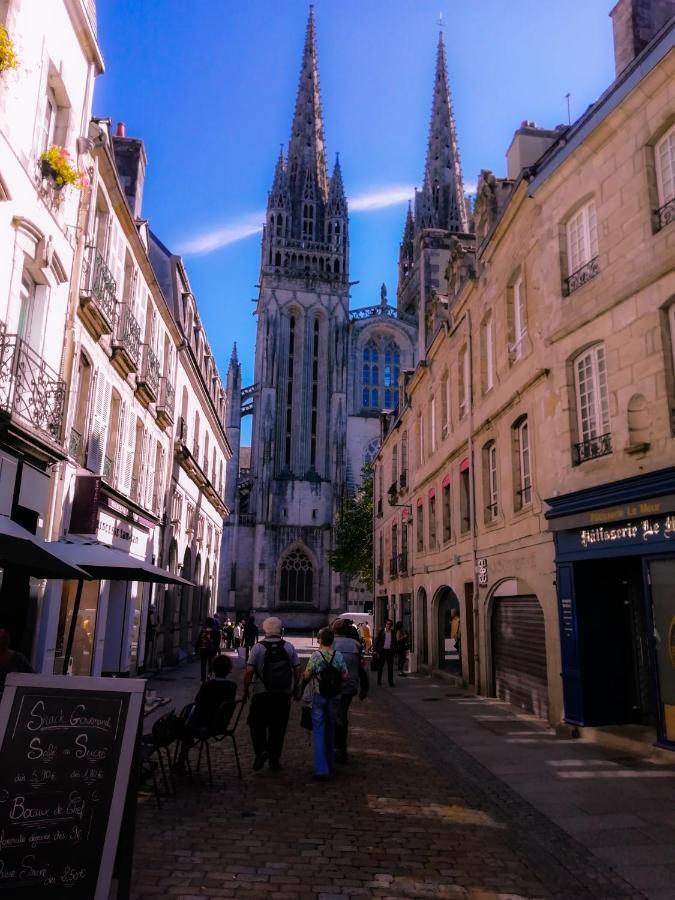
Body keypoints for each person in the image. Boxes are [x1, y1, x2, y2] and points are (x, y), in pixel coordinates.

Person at [244, 617, 300, 771]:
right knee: (278, 727)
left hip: (261, 693)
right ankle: (274, 760)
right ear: (281, 630)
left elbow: (249, 672)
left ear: (265, 630)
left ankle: (261, 751)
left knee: (256, 724)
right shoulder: (289, 647)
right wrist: (296, 688)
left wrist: (245, 690)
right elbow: (297, 669)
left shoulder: (257, 648)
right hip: (283, 694)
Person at [174, 654, 237, 770]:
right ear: (228, 670)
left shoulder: (208, 685)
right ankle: (185, 746)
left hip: (205, 724)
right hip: (221, 724)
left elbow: (198, 702)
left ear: (213, 669)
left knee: (185, 724)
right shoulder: (232, 686)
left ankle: (181, 760)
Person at [301, 627, 348, 779]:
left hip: (319, 696)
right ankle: (330, 763)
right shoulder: (338, 655)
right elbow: (345, 676)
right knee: (331, 729)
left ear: (320, 640)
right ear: (332, 640)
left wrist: (311, 676)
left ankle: (321, 769)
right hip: (334, 697)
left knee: (319, 731)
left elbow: (307, 676)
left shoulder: (316, 656)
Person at [333, 619, 368, 763]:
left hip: (332, 685)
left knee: (336, 715)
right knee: (342, 713)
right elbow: (361, 669)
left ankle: (337, 747)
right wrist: (365, 687)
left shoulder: (331, 643)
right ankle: (341, 748)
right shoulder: (356, 645)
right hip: (350, 685)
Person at [0, 628, 34, 696]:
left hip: (12, 698)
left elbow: (32, 677)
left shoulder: (18, 659)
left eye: (6, 637)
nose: (4, 640)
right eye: (2, 638)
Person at [374, 619, 396, 687]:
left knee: (390, 668)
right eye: (387, 624)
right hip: (382, 651)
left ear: (391, 625)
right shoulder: (381, 632)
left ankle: (390, 682)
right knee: (380, 666)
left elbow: (394, 642)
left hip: (390, 651)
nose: (388, 625)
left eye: (390, 624)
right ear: (385, 624)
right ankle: (379, 680)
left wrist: (394, 650)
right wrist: (376, 651)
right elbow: (377, 641)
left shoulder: (393, 632)